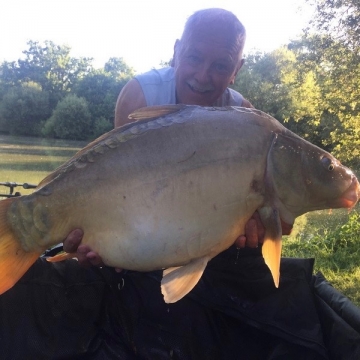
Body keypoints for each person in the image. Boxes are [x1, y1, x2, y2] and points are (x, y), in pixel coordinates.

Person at [1, 8, 359, 360]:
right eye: (194, 58)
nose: (203, 75)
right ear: (175, 51)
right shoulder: (139, 94)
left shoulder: (247, 120)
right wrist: (87, 239)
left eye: (220, 65)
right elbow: (109, 185)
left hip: (195, 253)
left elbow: (274, 228)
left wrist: (258, 234)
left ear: (237, 69)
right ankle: (23, 225)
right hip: (133, 236)